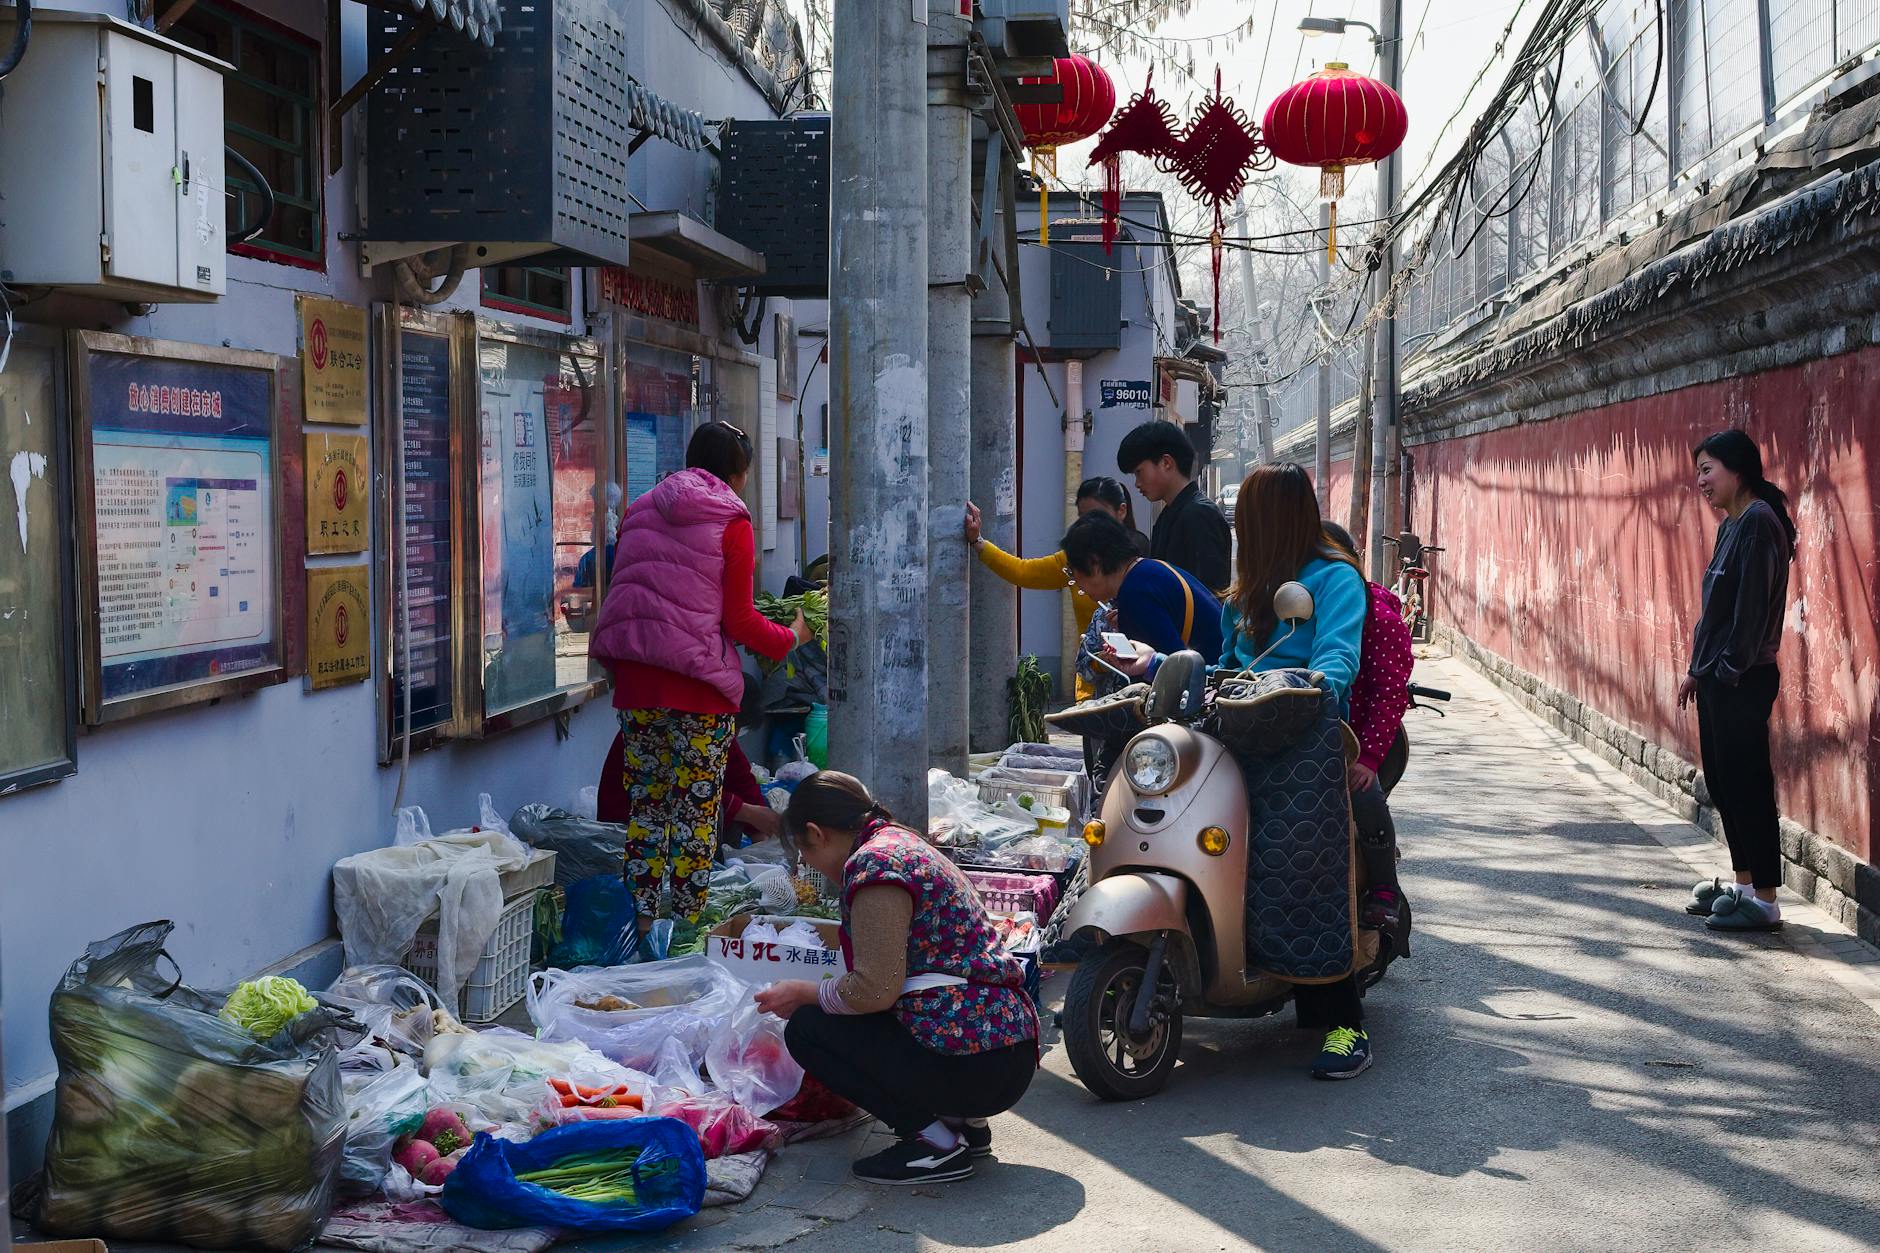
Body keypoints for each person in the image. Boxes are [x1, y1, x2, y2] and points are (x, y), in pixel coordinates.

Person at [754, 772, 1037, 1186]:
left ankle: (935, 1143)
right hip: (999, 1049)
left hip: (977, 1060)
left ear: (816, 833)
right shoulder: (901, 843)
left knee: (809, 1029)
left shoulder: (875, 866)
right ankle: (963, 1122)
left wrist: (804, 992)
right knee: (846, 1016)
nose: (806, 864)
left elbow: (875, 989)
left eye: (803, 850)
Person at [590, 422, 811, 946]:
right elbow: (739, 621)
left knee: (647, 809)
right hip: (698, 691)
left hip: (637, 686)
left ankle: (643, 932)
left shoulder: (641, 510)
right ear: (736, 473)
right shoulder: (731, 519)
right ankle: (689, 936)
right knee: (694, 814)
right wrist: (792, 636)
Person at [1218, 463, 1375, 1080]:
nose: (1238, 527)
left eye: (1246, 517)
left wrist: (1301, 686)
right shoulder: (1247, 590)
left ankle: (1344, 1025)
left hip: (1306, 735)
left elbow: (1338, 655)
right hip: (1244, 734)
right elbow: (1228, 659)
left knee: (1301, 867)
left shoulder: (1334, 579)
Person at [1678, 430, 1797, 933]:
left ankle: (1766, 900)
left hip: (1742, 679)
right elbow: (1714, 612)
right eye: (1699, 471)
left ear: (1737, 469)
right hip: (1717, 678)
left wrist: (1725, 673)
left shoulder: (1759, 526)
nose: (1701, 481)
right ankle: (1744, 885)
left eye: (1708, 469)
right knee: (1725, 783)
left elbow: (1749, 616)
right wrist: (1694, 670)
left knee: (1747, 783)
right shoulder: (1733, 526)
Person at [964, 477, 1149, 700]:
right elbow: (1024, 572)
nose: (1091, 526)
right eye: (1083, 517)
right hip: (1094, 685)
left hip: (1139, 686)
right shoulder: (1073, 559)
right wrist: (978, 542)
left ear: (1122, 512)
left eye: (1099, 516)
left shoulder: (1140, 558)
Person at [1321, 521, 1414, 928]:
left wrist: (1369, 759)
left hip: (1367, 746)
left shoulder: (1380, 619)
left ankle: (1384, 890)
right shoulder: (1308, 608)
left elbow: (1388, 697)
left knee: (1365, 796)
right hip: (1320, 737)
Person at [1063, 512, 1224, 676]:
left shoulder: (1134, 594)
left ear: (1094, 564)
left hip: (1212, 685)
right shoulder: (1148, 570)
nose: (1075, 582)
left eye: (1071, 571)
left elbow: (1173, 676)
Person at [1115, 420, 1232, 594]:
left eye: (1139, 472)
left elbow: (1209, 595)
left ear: (1166, 463)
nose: (1137, 484)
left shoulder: (1199, 515)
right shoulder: (1171, 513)